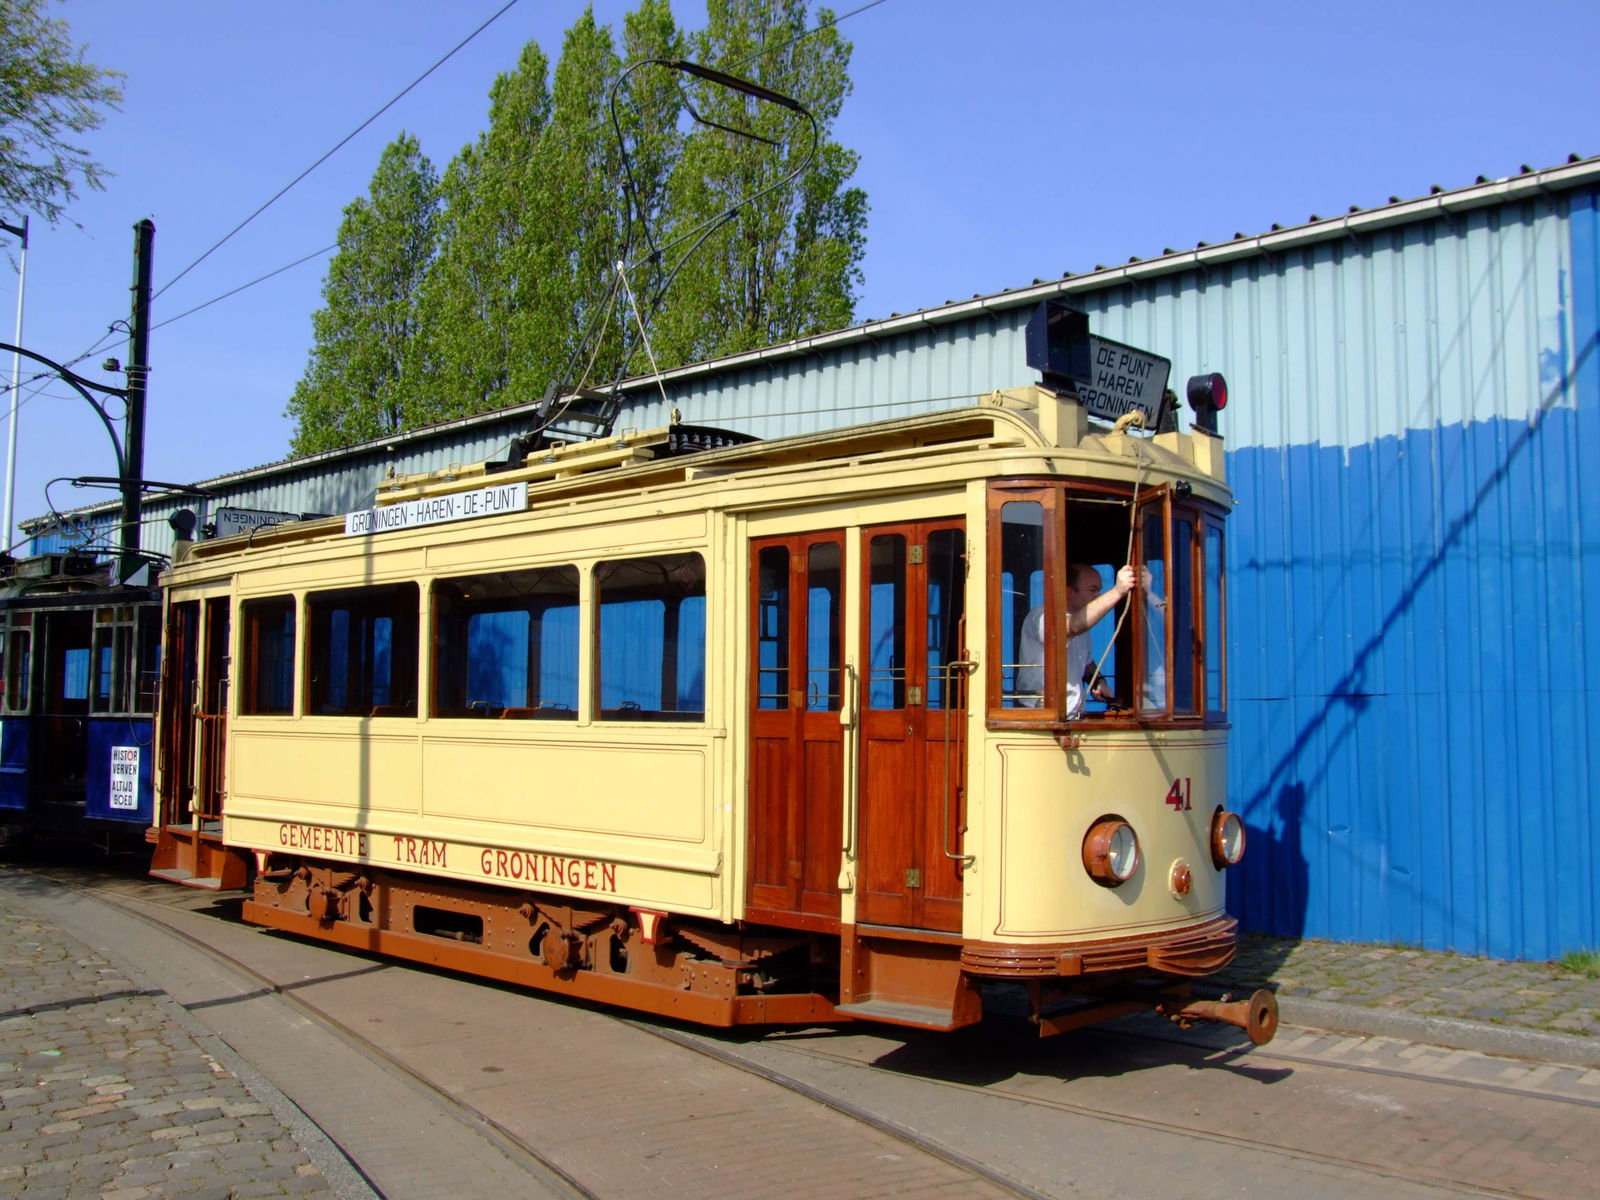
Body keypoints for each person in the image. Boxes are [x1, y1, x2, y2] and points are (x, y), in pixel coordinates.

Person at [1016, 562, 1137, 716]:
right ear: (1069, 592)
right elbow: (1071, 627)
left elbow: (1085, 663)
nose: (1097, 596)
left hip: (1072, 717)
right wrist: (1117, 592)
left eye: (1099, 590)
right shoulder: (1041, 617)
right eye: (1093, 590)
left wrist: (1098, 681)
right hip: (1041, 717)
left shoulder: (1082, 626)